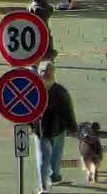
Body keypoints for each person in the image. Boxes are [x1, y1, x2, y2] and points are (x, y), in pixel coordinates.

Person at [32, 60, 77, 193]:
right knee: (45, 159)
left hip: (55, 130)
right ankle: (46, 184)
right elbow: (27, 112)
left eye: (48, 71)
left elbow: (68, 111)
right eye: (43, 71)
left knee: (52, 158)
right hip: (44, 131)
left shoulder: (58, 91)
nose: (46, 74)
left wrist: (72, 127)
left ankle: (52, 177)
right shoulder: (37, 91)